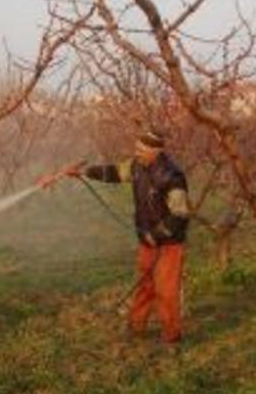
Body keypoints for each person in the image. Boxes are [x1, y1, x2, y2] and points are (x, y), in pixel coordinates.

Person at [37, 129, 190, 344]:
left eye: (141, 150)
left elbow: (180, 214)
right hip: (146, 238)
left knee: (165, 290)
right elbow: (114, 173)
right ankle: (136, 326)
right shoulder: (137, 166)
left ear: (155, 151)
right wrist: (84, 172)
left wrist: (156, 234)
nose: (136, 153)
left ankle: (171, 336)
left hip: (168, 243)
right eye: (136, 148)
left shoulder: (172, 176)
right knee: (145, 285)